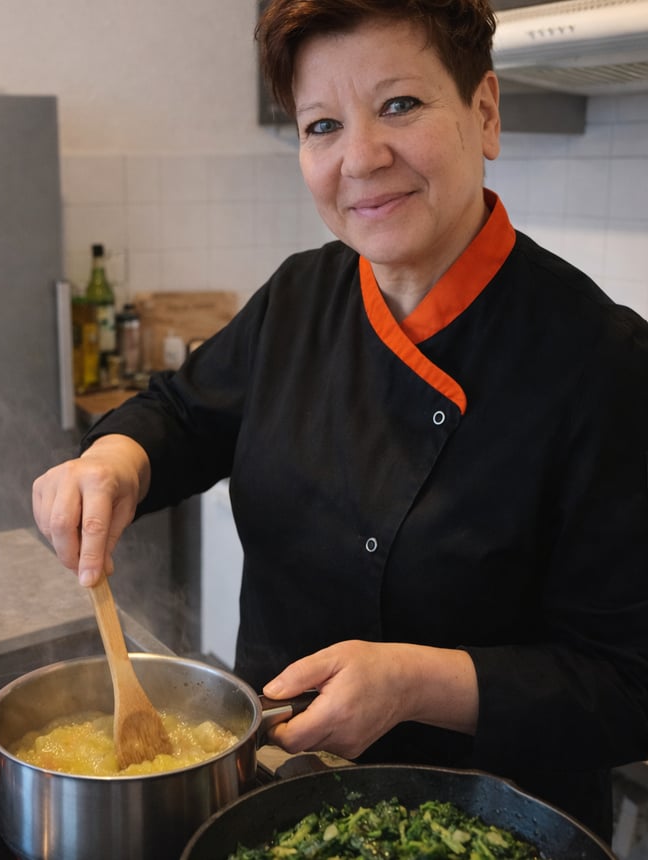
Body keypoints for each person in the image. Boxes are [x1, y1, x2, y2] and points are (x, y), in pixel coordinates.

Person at [33, 0, 648, 841]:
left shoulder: (602, 359)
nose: (361, 158)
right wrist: (113, 460)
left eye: (400, 104)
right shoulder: (299, 296)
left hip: (490, 831)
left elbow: (630, 684)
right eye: (322, 124)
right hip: (275, 809)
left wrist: (417, 683)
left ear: (485, 112)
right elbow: (180, 413)